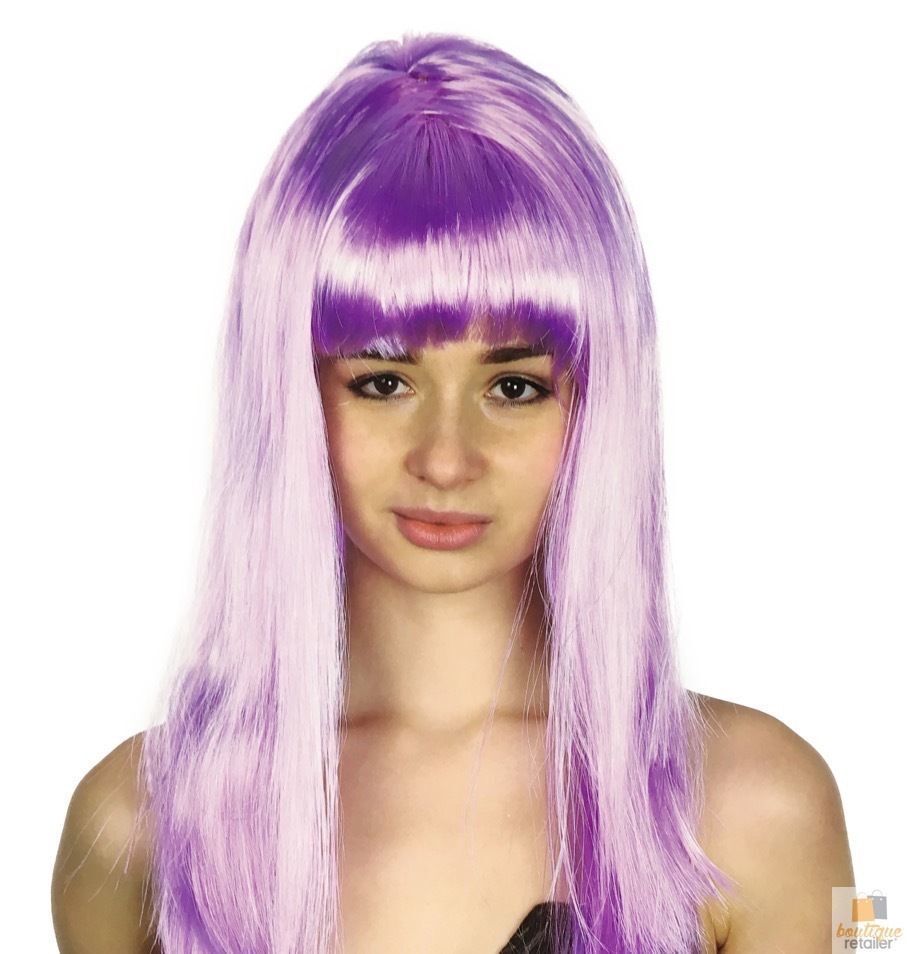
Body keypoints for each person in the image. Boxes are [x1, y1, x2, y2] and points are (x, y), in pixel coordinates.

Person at [51, 33, 854, 954]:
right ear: (289, 390)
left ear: (597, 403)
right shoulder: (138, 829)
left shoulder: (762, 805)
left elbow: (868, 931)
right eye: (382, 381)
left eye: (513, 386)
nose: (444, 459)